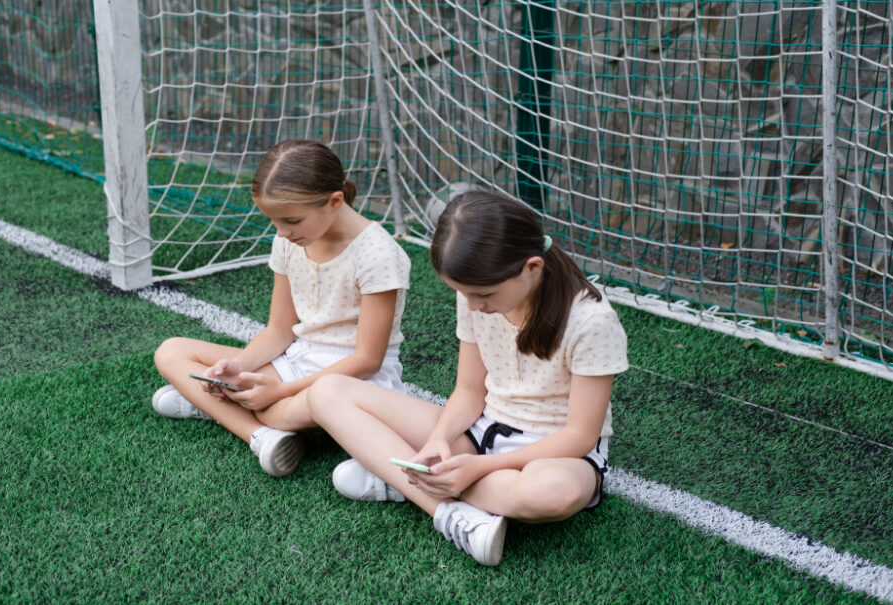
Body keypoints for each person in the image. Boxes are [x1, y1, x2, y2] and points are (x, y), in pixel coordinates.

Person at [306, 191, 628, 565]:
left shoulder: (591, 320)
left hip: (556, 454)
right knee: (327, 391)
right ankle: (446, 509)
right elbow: (469, 391)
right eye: (463, 293)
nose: (474, 305)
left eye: (483, 294)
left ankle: (409, 480)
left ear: (533, 267)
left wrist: (478, 468)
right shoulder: (474, 292)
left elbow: (579, 436)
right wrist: (441, 439)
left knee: (552, 494)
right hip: (480, 430)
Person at [152, 139, 411, 477]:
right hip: (300, 359)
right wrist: (236, 368)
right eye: (274, 221)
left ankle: (240, 412)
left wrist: (279, 391)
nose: (282, 232)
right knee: (171, 352)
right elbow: (279, 330)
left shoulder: (377, 254)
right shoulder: (287, 242)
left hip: (354, 380)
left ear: (334, 201)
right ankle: (260, 435)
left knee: (278, 410)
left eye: (291, 220)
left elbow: (367, 360)